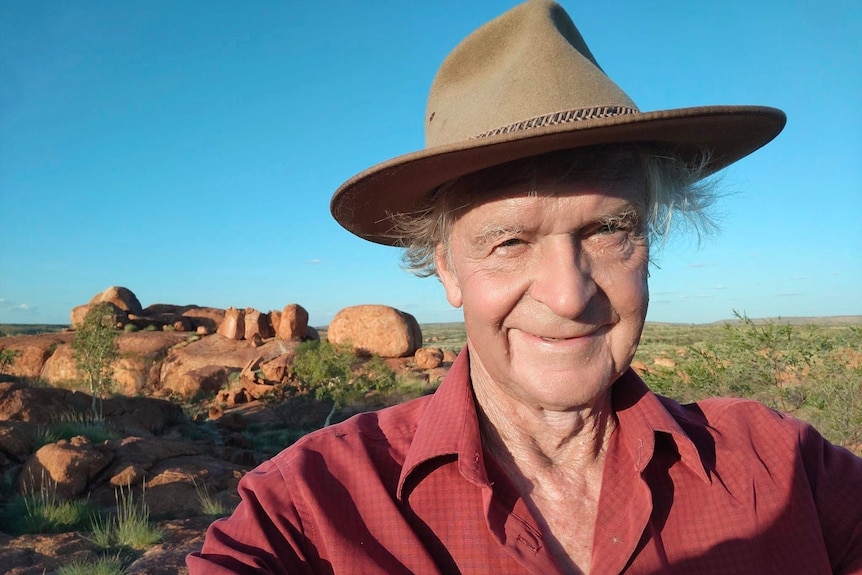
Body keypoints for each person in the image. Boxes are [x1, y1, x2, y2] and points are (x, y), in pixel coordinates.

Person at [188, 1, 862, 573]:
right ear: (447, 267)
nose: (569, 296)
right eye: (509, 241)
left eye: (607, 228)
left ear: (649, 237)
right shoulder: (313, 508)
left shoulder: (784, 470)